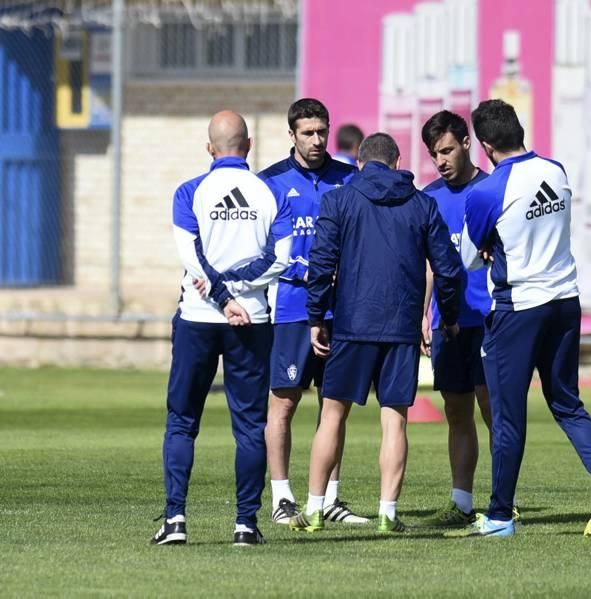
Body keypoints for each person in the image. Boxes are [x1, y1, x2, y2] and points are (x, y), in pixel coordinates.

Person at [447, 100, 591, 538]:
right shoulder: (556, 170)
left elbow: (468, 258)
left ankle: (501, 516)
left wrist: (491, 245)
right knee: (567, 402)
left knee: (508, 416)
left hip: (519, 308)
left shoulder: (487, 191)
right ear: (519, 130)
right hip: (565, 300)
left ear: (485, 146)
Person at [289, 133, 463, 533]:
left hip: (352, 323)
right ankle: (387, 514)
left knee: (331, 415)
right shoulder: (423, 204)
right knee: (395, 422)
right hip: (401, 327)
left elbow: (321, 263)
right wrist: (447, 316)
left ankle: (314, 508)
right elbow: (448, 269)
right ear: (398, 160)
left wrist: (317, 316)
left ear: (361, 163)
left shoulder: (339, 200)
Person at [152, 111, 292, 546]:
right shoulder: (271, 193)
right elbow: (282, 258)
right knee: (251, 426)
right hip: (251, 321)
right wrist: (238, 295)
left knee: (181, 421)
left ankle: (175, 521)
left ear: (209, 148)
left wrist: (221, 296)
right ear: (247, 146)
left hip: (198, 317)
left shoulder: (189, 192)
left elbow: (191, 259)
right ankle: (246, 525)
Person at [258, 99, 367, 525]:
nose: (317, 140)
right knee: (283, 404)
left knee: (334, 404)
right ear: (292, 135)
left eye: (322, 131)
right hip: (292, 307)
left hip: (342, 309)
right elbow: (263, 247)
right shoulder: (270, 183)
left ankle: (328, 499)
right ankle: (282, 499)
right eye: (308, 132)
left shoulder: (348, 179)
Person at [417, 110, 496, 526]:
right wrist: (421, 315)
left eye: (446, 150)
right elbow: (428, 265)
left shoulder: (492, 189)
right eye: (434, 154)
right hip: (447, 322)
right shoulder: (428, 198)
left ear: (467, 144)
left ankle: (503, 499)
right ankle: (462, 502)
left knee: (493, 410)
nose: (441, 160)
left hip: (488, 319)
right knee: (457, 411)